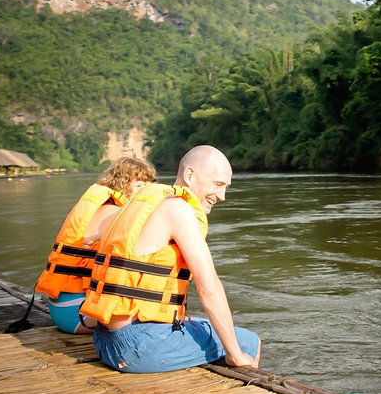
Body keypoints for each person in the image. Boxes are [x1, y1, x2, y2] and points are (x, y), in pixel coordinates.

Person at [80, 145, 261, 373]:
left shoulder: (139, 203)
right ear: (189, 175)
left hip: (105, 339)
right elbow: (209, 289)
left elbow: (88, 237)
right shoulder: (178, 209)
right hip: (138, 345)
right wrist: (235, 355)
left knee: (201, 327)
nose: (222, 196)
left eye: (226, 187)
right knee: (247, 341)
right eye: (218, 185)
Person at [34, 157, 156, 334]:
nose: (143, 193)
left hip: (64, 307)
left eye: (146, 187)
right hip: (77, 313)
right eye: (138, 186)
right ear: (122, 184)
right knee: (152, 318)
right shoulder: (113, 213)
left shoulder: (106, 207)